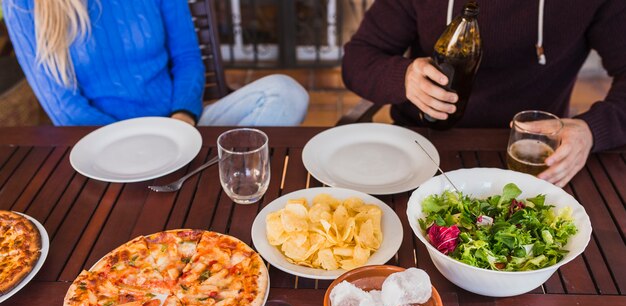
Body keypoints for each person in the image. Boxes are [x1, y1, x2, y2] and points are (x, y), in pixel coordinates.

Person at [342, 0, 626, 187]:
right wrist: (403, 77)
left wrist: (593, 129)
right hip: (422, 149)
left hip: (533, 162)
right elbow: (358, 60)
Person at [2, 0, 309, 127]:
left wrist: (183, 118)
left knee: (286, 92)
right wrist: (140, 146)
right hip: (103, 145)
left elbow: (188, 58)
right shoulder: (21, 4)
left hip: (180, 127)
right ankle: (198, 177)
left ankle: (194, 176)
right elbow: (61, 106)